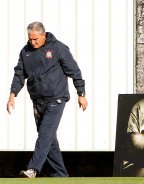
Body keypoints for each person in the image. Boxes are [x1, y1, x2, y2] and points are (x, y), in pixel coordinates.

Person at [6, 21, 88, 178]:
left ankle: (33, 169)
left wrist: (81, 93)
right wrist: (12, 95)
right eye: (30, 39)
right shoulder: (25, 52)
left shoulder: (58, 48)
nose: (32, 42)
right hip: (37, 102)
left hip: (56, 100)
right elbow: (19, 74)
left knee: (44, 135)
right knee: (50, 141)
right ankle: (60, 174)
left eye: (35, 39)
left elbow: (74, 71)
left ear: (44, 35)